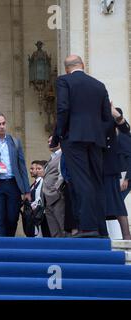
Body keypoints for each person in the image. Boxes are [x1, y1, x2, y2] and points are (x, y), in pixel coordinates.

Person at [51, 55, 113, 238]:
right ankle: (101, 228)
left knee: (81, 181)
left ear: (67, 69)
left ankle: (87, 227)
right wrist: (99, 135)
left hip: (74, 138)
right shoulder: (99, 85)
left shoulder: (64, 81)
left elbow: (63, 108)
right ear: (83, 65)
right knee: (96, 181)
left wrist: (57, 136)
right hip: (96, 140)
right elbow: (107, 117)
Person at [103, 106, 131, 240]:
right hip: (112, 173)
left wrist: (126, 179)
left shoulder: (124, 136)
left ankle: (126, 236)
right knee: (110, 204)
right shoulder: (112, 134)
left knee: (117, 204)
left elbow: (129, 158)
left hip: (121, 176)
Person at [42, 137, 66, 238]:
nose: (49, 143)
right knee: (54, 230)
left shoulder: (62, 155)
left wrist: (57, 190)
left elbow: (62, 174)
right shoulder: (52, 157)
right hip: (47, 198)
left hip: (56, 196)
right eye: (47, 141)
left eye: (51, 141)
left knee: (62, 226)